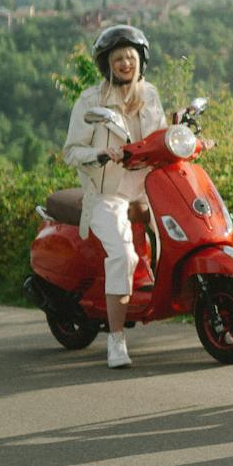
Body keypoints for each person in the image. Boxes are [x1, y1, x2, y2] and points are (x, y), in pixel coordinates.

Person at [61, 24, 168, 370]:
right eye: (118, 58)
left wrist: (183, 135)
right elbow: (71, 151)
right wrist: (100, 154)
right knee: (123, 255)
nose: (125, 63)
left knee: (182, 231)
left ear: (141, 61)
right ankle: (116, 339)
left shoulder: (150, 95)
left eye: (131, 57)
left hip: (149, 189)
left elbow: (160, 137)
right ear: (107, 64)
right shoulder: (90, 101)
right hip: (108, 193)